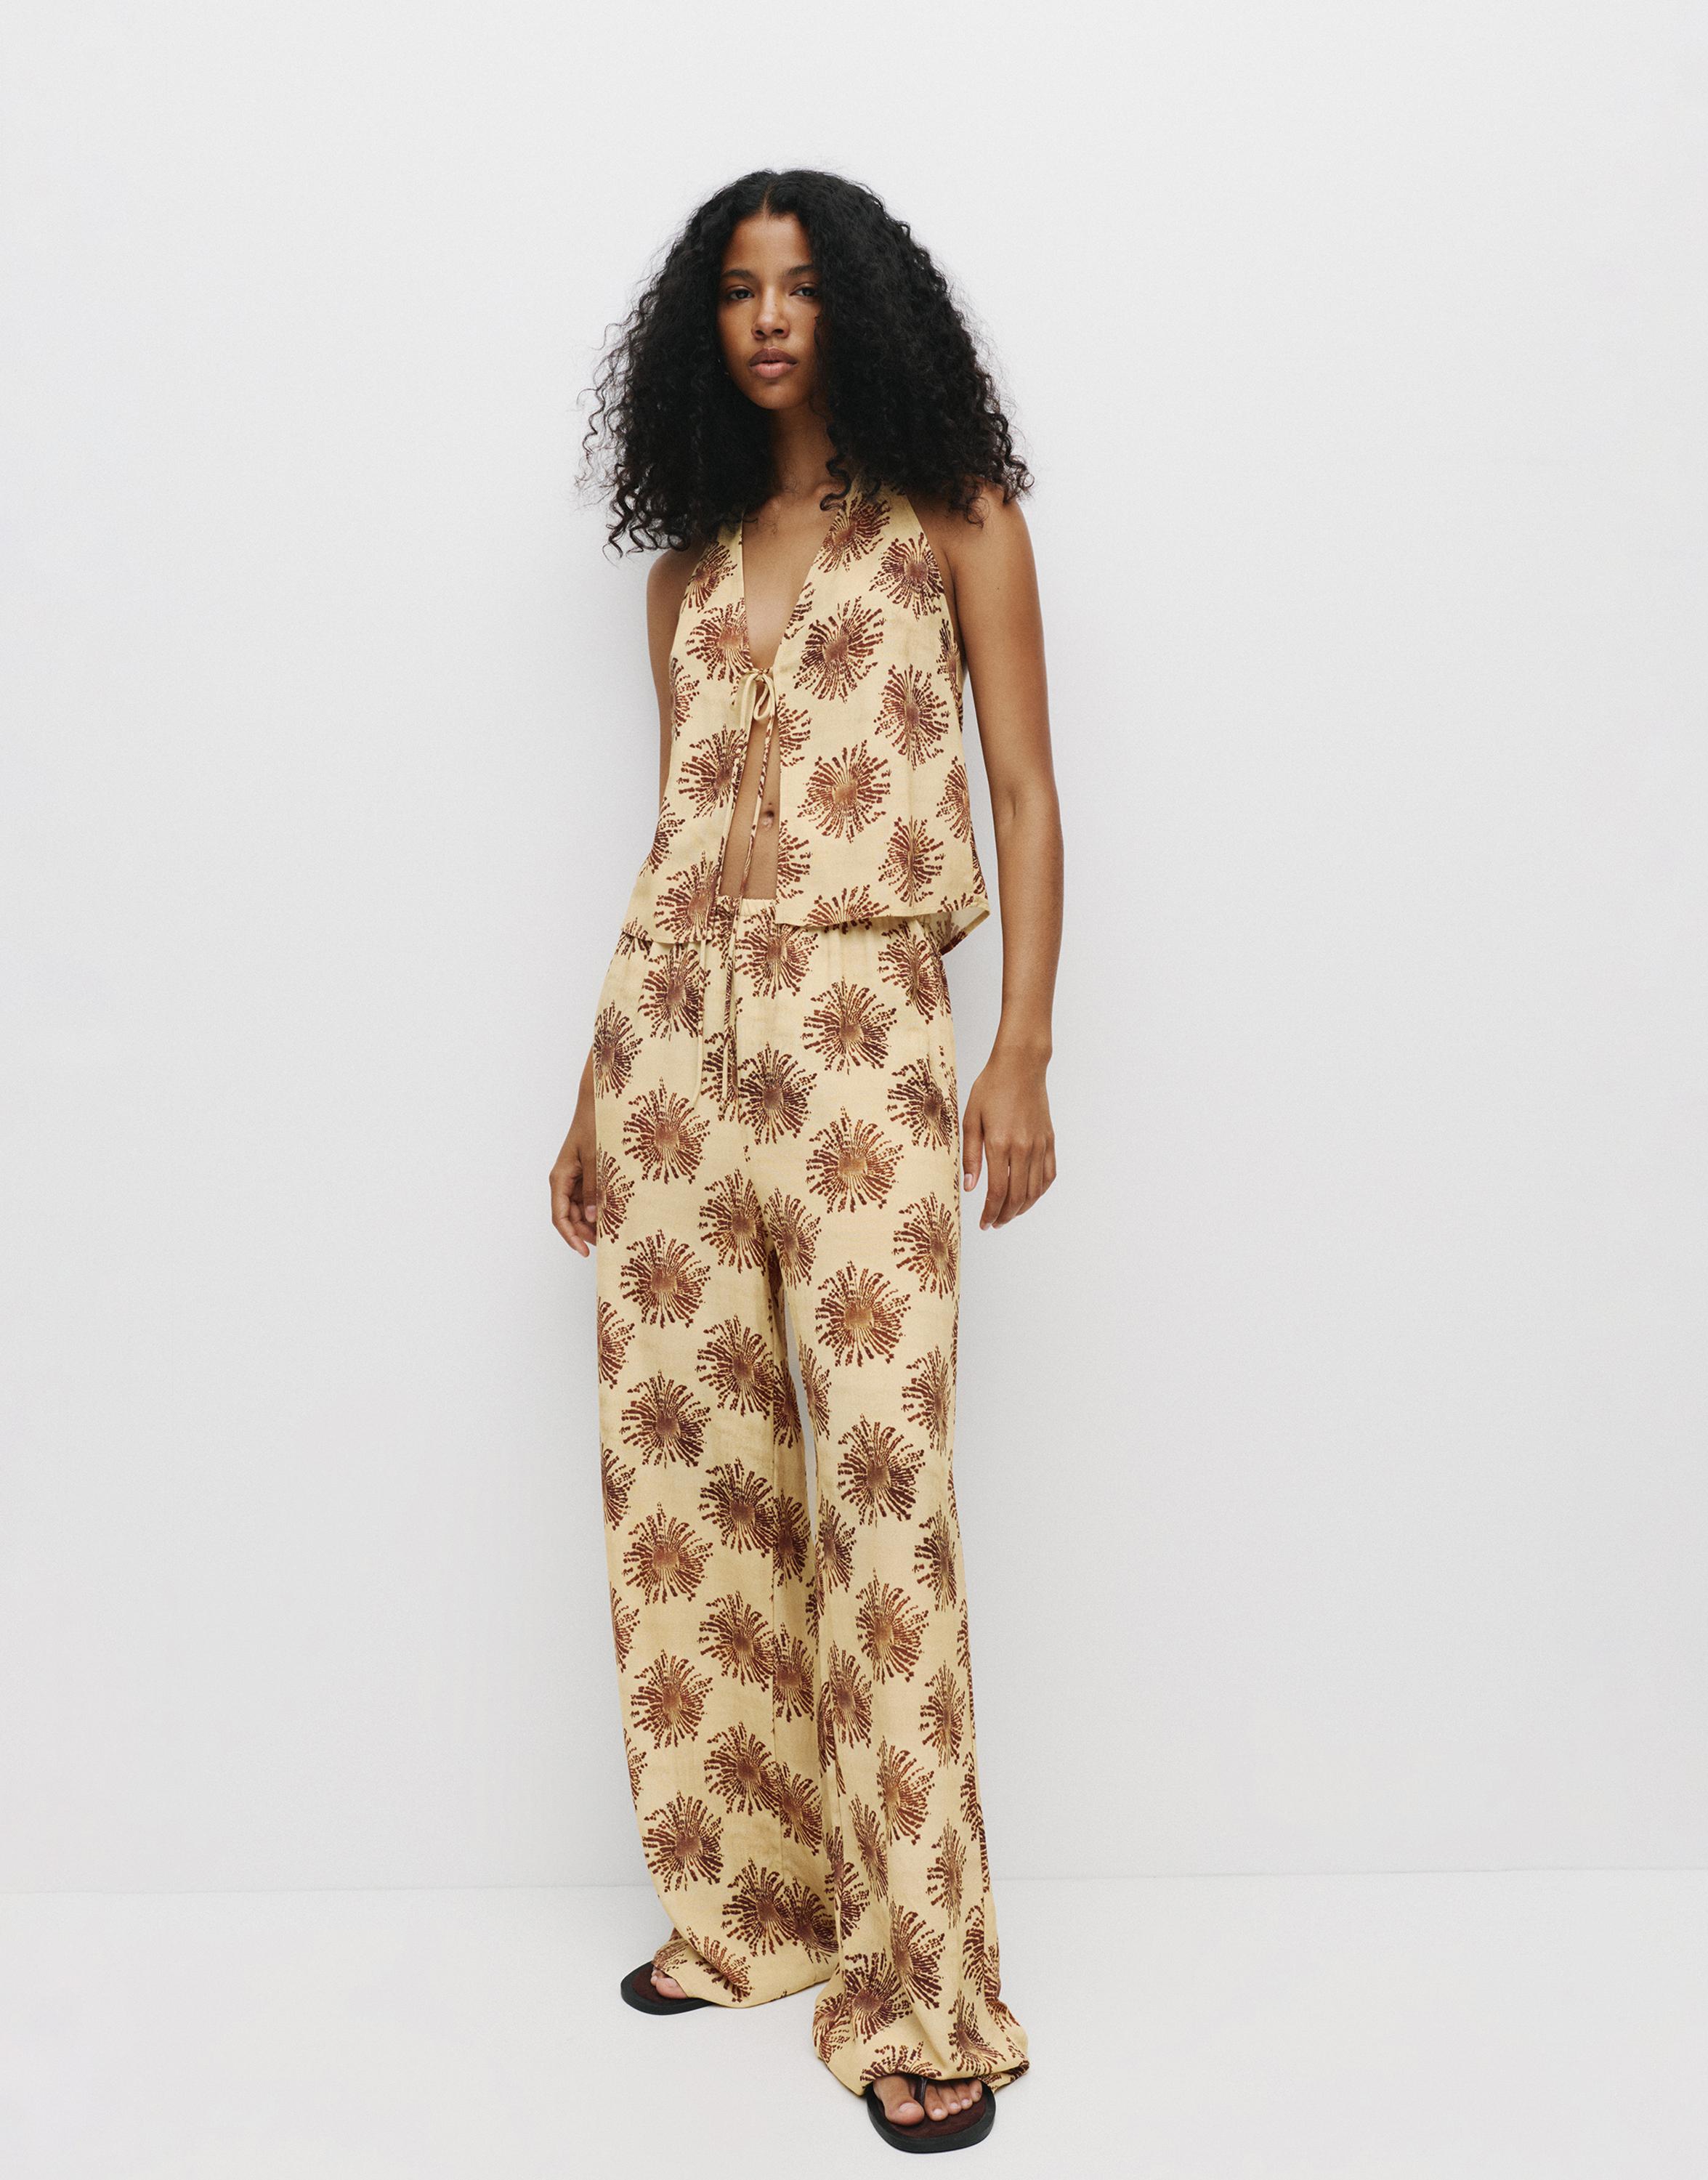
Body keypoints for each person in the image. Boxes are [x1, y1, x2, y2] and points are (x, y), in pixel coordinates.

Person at [550, 167, 1062, 2153]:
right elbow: (674, 851)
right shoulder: (682, 579)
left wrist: (1019, 1048)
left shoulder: (954, 521)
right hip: (676, 1045)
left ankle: (927, 1986)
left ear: (862, 308)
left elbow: (1022, 786)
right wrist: (593, 1089)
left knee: (878, 1483)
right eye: (738, 291)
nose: (769, 318)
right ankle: (754, 1909)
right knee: (694, 1474)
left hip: (862, 1031)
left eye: (802, 286)